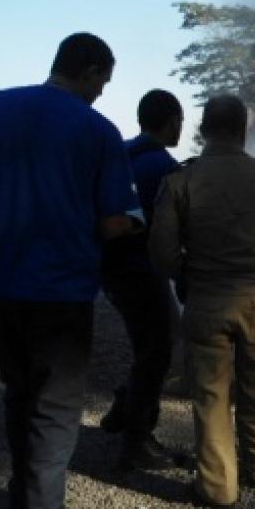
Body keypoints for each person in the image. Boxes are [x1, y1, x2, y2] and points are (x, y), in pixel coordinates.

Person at [0, 33, 137, 509]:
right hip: (61, 292)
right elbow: (114, 225)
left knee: (19, 392)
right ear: (92, 71)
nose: (101, 93)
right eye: (104, 82)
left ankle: (23, 494)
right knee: (53, 410)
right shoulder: (98, 132)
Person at [148, 94, 255, 509]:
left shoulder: (180, 179)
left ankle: (218, 488)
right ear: (243, 130)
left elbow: (162, 252)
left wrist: (187, 278)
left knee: (211, 395)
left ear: (203, 130)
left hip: (206, 301)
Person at [98, 89, 184, 470]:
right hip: (141, 270)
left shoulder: (123, 153)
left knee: (152, 345)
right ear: (171, 121)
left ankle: (126, 403)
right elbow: (169, 228)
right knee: (157, 352)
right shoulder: (164, 166)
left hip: (112, 269)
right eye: (180, 120)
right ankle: (137, 439)